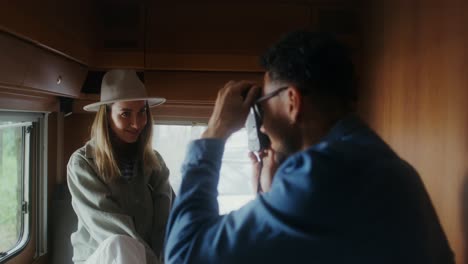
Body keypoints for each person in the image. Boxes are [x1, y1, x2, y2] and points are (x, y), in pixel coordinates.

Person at [164, 31, 454, 263]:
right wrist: (269, 194)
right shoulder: (386, 166)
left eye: (262, 106)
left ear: (292, 101)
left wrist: (214, 133)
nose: (262, 125)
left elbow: (184, 255)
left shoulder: (321, 173)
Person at [67, 69, 174, 264]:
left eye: (142, 112)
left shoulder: (154, 162)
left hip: (147, 260)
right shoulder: (82, 164)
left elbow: (166, 224)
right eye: (125, 114)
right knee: (120, 244)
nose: (136, 123)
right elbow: (110, 229)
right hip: (102, 257)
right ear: (106, 116)